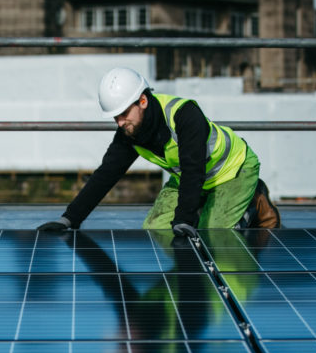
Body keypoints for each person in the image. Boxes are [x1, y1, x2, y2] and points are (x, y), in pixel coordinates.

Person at [38, 67, 280, 235]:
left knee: (214, 232)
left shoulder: (184, 115)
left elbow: (193, 168)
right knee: (155, 231)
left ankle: (255, 201)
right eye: (115, 117)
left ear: (142, 101)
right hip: (192, 179)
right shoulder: (130, 133)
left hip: (233, 170)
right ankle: (202, 206)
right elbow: (105, 175)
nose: (120, 122)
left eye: (123, 114)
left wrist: (184, 220)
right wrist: (69, 219)